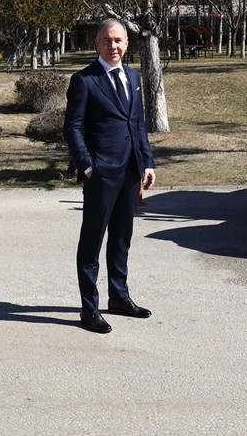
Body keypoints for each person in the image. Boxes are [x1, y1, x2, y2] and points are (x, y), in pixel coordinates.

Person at [63, 18, 157, 334]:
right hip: (101, 174)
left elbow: (138, 125)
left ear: (127, 43)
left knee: (121, 240)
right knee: (92, 242)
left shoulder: (134, 78)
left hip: (130, 172)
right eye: (107, 40)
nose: (113, 46)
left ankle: (119, 297)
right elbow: (72, 127)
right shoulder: (84, 80)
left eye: (118, 40)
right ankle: (89, 309)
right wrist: (87, 165)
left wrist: (147, 162)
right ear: (97, 44)